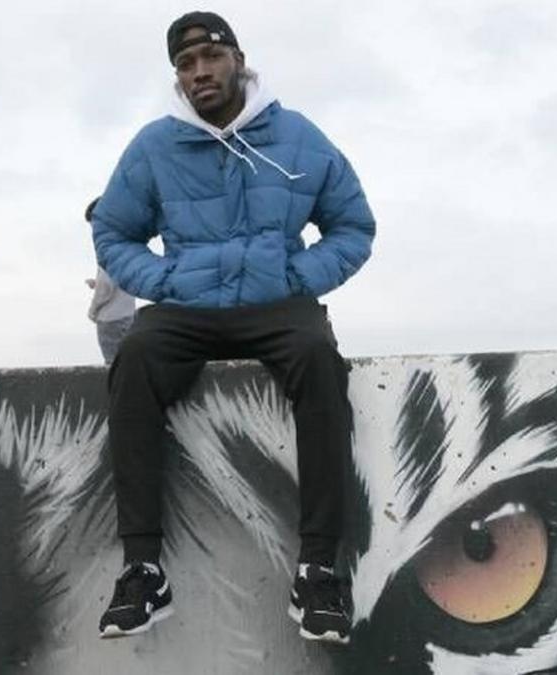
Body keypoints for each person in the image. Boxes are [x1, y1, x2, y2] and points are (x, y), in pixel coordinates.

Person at [91, 11, 375, 645]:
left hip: (278, 303)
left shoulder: (298, 136)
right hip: (187, 305)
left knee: (319, 360)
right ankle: (142, 570)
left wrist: (296, 277)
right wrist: (164, 280)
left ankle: (318, 570)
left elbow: (354, 226)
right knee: (134, 360)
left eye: (210, 59)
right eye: (185, 66)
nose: (199, 73)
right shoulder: (154, 146)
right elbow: (112, 230)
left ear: (238, 61)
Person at [84, 198, 137, 365]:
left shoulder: (107, 246)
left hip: (110, 319)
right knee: (129, 363)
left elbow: (106, 287)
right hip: (128, 314)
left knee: (113, 366)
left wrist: (93, 311)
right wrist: (97, 282)